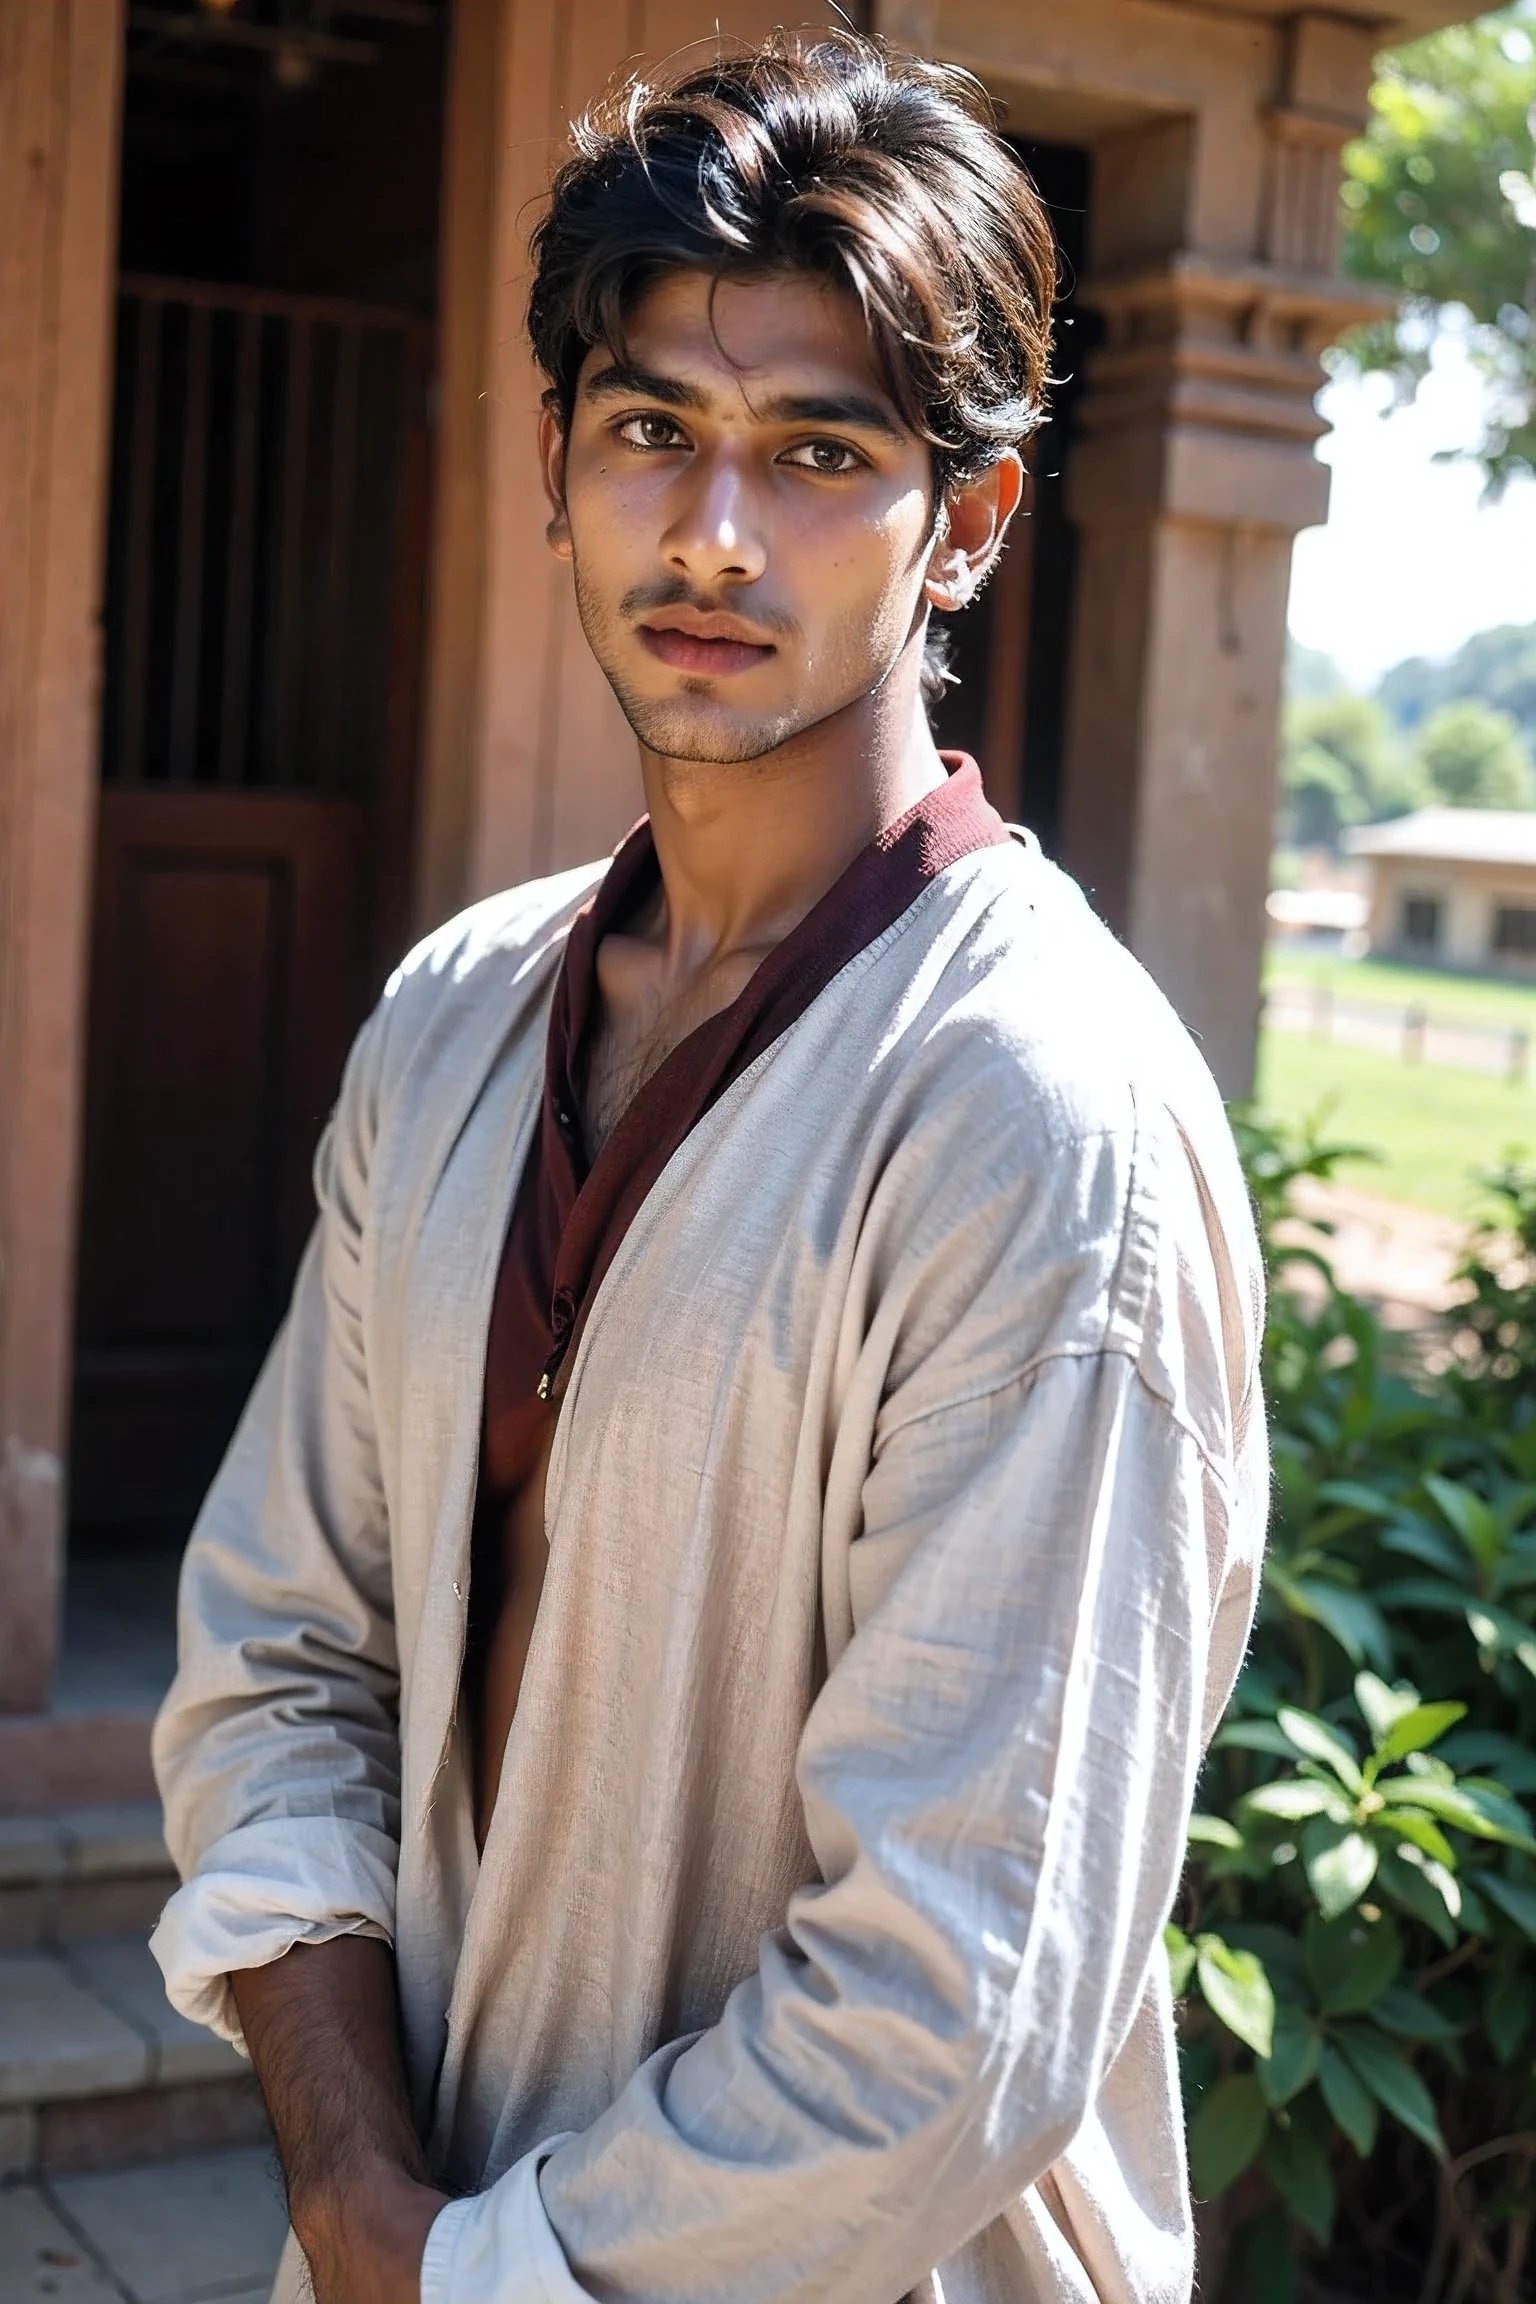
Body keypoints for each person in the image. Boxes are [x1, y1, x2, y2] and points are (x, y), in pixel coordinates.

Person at [150, 30, 1267, 2304]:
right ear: (555, 464)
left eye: (822, 450)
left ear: (964, 523)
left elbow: (949, 2007)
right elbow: (277, 1656)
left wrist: (455, 2267)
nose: (716, 532)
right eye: (655, 429)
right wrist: (359, 2195)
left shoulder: (1030, 1117)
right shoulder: (461, 1014)